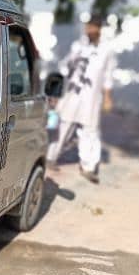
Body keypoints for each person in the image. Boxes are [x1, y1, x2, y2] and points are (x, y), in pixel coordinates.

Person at [46, 15, 115, 183]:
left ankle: (88, 167)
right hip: (72, 95)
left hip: (92, 99)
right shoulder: (78, 46)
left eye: (92, 27)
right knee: (63, 126)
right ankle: (50, 158)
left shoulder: (107, 50)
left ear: (99, 29)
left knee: (90, 131)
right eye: (87, 27)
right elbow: (64, 68)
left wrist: (107, 98)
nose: (89, 30)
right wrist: (56, 92)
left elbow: (107, 76)